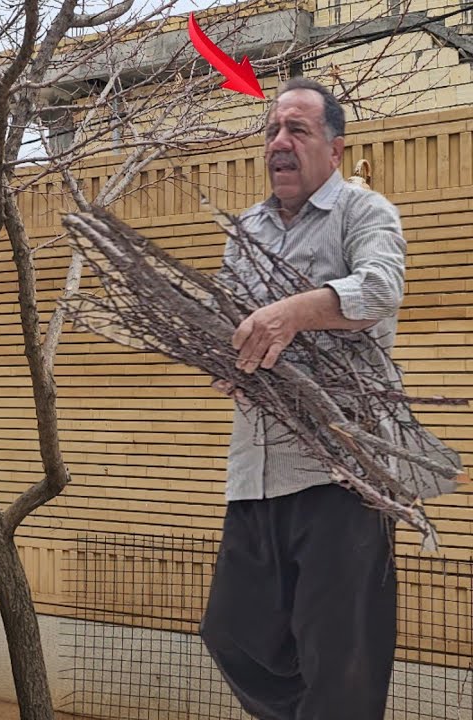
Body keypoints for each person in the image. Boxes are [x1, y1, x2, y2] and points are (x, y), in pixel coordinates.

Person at [199, 78, 407, 719]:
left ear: (335, 149)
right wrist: (226, 354)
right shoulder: (247, 230)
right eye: (272, 131)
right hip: (257, 473)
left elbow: (379, 289)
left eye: (298, 130)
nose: (280, 143)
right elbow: (226, 313)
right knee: (231, 632)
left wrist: (292, 313)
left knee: (339, 656)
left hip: (341, 472)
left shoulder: (364, 213)